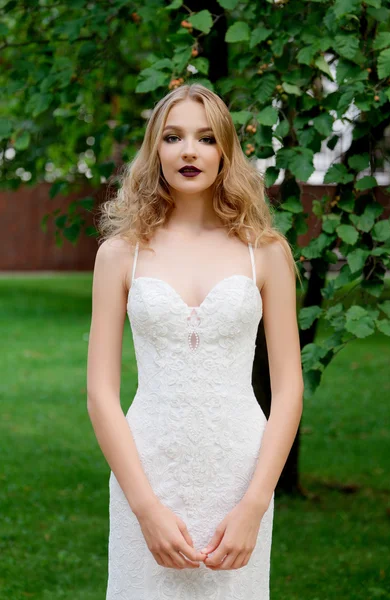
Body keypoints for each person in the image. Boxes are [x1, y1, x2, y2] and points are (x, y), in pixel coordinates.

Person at [87, 83, 304, 599]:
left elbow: (289, 391)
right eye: (174, 137)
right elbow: (99, 394)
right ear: (154, 150)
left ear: (226, 150)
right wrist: (145, 508)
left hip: (240, 472)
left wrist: (255, 504)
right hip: (147, 469)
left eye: (206, 138)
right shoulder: (120, 254)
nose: (189, 150)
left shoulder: (267, 253)